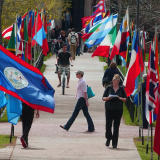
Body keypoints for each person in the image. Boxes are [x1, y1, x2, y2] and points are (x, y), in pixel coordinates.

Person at [102, 74, 127, 148]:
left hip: (118, 109)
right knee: (108, 125)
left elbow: (125, 99)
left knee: (116, 126)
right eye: (114, 82)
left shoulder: (121, 89)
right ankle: (108, 138)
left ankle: (114, 143)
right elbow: (103, 98)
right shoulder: (109, 87)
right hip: (109, 109)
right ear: (112, 81)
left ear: (119, 82)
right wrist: (107, 98)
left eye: (116, 82)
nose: (115, 83)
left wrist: (120, 98)